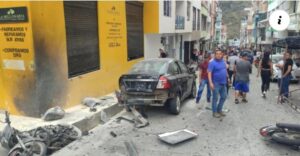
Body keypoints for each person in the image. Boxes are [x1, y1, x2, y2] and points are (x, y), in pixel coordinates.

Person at [208, 49, 228, 118]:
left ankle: (219, 109)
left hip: (223, 83)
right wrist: (210, 83)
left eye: (220, 54)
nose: (219, 55)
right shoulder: (212, 63)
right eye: (217, 54)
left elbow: (225, 69)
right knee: (215, 98)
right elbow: (209, 73)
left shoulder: (223, 61)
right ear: (215, 55)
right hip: (216, 83)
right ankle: (214, 112)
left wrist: (227, 76)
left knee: (224, 97)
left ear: (222, 54)